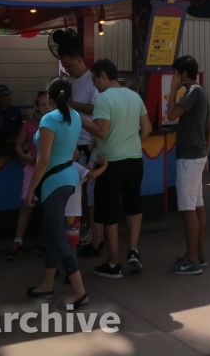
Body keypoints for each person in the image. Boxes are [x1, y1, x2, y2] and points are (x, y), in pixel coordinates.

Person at [80, 59, 151, 279]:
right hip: (135, 160)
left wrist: (78, 118)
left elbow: (101, 131)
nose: (93, 83)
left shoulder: (104, 98)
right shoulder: (134, 95)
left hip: (110, 163)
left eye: (94, 78)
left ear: (104, 75)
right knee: (133, 205)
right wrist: (133, 144)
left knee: (109, 213)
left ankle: (113, 264)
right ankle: (133, 250)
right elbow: (147, 127)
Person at [24, 78, 88, 309]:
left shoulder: (49, 119)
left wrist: (32, 188)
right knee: (51, 232)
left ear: (49, 96)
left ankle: (79, 292)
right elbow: (72, 152)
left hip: (53, 181)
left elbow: (43, 159)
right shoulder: (75, 117)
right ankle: (48, 284)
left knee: (57, 235)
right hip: (68, 177)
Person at [165, 54, 210, 275]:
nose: (174, 77)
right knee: (197, 206)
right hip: (197, 155)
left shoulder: (193, 91)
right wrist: (205, 153)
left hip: (188, 157)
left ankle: (192, 259)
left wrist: (173, 90)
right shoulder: (200, 91)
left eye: (176, 73)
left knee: (187, 209)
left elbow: (171, 114)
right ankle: (197, 254)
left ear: (183, 74)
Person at [51, 28, 99, 246]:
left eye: (70, 66)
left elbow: (97, 107)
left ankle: (90, 229)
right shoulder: (71, 82)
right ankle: (78, 229)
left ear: (79, 59)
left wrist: (71, 105)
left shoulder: (91, 81)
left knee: (87, 190)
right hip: (73, 142)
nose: (68, 70)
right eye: (65, 67)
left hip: (87, 142)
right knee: (75, 190)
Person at [7, 91, 52, 260]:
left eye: (49, 104)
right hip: (32, 168)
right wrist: (24, 157)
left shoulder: (57, 123)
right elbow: (18, 146)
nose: (46, 107)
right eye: (42, 104)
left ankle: (48, 241)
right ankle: (18, 241)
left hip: (49, 168)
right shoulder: (29, 124)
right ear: (37, 107)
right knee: (27, 204)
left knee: (49, 206)